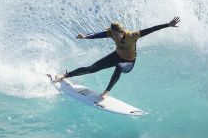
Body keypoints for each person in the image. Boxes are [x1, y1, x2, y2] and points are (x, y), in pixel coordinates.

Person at [52, 17, 180, 101]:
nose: (115, 37)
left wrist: (167, 25)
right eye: (113, 35)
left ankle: (106, 92)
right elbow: (98, 35)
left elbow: (150, 30)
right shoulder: (111, 34)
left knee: (119, 67)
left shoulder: (132, 35)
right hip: (116, 56)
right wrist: (85, 36)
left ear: (122, 31)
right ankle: (65, 75)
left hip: (128, 62)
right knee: (91, 69)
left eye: (117, 34)